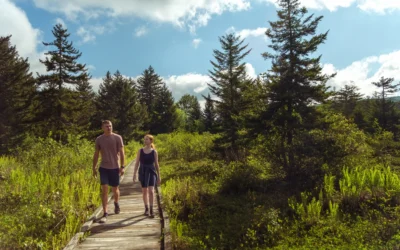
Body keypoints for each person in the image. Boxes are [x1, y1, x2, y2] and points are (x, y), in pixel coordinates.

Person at [92, 120, 125, 223]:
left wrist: (122, 166)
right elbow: (96, 154)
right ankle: (105, 213)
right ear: (102, 128)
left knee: (115, 189)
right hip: (104, 168)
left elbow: (122, 153)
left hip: (115, 167)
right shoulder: (99, 139)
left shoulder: (117, 138)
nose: (109, 128)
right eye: (107, 126)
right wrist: (94, 167)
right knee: (105, 189)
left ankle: (116, 202)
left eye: (110, 126)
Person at [133, 134, 161, 218]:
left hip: (151, 171)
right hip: (142, 171)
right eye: (144, 139)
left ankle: (152, 209)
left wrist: (159, 176)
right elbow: (137, 162)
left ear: (151, 141)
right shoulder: (140, 151)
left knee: (151, 191)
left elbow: (156, 164)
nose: (145, 141)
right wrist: (134, 173)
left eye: (147, 139)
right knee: (144, 191)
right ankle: (146, 208)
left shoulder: (154, 152)